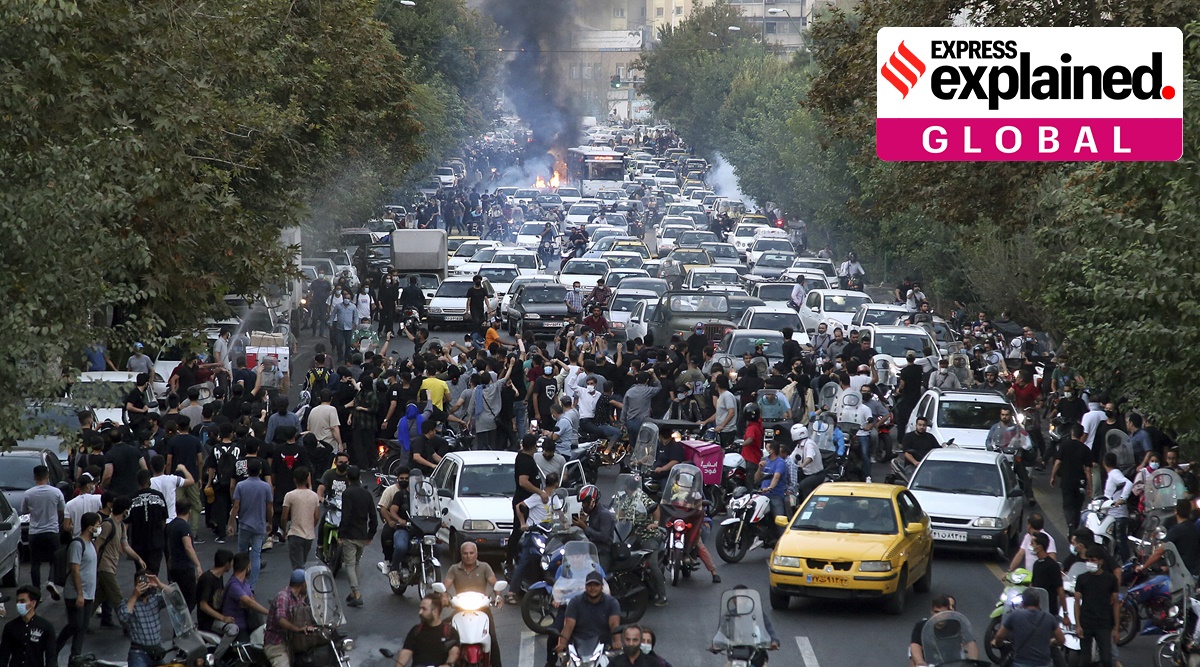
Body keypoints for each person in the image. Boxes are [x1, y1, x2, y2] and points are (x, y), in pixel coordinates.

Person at [442, 542, 502, 666]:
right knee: (443, 631)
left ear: (476, 554)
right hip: (460, 608)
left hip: (482, 608)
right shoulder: (454, 569)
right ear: (461, 554)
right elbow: (445, 586)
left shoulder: (484, 567)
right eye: (465, 553)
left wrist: (499, 596)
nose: (468, 556)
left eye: (471, 553)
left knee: (492, 637)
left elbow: (494, 583)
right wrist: (443, 596)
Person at [56, 511, 99, 662]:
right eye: (97, 525)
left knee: (83, 627)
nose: (98, 528)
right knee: (75, 624)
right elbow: (75, 570)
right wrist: (80, 593)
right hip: (76, 593)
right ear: (90, 527)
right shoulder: (77, 544)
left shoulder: (91, 544)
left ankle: (75, 656)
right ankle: (54, 648)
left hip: (89, 593)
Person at [228, 458, 273, 591]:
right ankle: (252, 585)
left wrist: (231, 523)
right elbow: (269, 507)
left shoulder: (240, 486)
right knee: (256, 554)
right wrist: (269, 522)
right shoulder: (265, 487)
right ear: (260, 471)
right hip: (259, 525)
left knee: (241, 552)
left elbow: (236, 506)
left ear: (247, 470)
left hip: (244, 524)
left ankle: (239, 580)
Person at [555, 571, 621, 659]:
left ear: (601, 586)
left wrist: (617, 642)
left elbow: (614, 625)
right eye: (589, 585)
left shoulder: (612, 603)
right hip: (578, 647)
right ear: (585, 587)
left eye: (596, 585)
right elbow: (568, 627)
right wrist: (562, 644)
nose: (592, 588)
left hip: (603, 647)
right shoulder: (575, 602)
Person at [991, 590, 1065, 667]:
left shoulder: (1015, 615)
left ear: (1023, 602)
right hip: (1044, 664)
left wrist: (1000, 645)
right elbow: (1061, 640)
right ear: (1039, 602)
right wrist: (1052, 642)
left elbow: (999, 636)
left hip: (1020, 664)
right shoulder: (1049, 617)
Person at [21, 465, 65, 593]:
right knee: (54, 559)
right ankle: (51, 580)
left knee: (35, 562)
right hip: (52, 530)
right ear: (48, 476)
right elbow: (62, 509)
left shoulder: (28, 493)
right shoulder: (56, 492)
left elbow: (24, 510)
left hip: (35, 532)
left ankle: (36, 591)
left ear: (34, 477)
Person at [1073, 545, 1119, 667]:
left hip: (1104, 623)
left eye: (1093, 560)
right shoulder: (1082, 579)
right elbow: (1077, 602)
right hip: (1086, 622)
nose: (1089, 563)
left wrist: (1116, 628)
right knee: (1085, 659)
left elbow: (1115, 604)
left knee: (1106, 659)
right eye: (1088, 560)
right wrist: (1078, 624)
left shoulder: (1110, 579)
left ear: (1101, 562)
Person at [340, 465, 377, 607]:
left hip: (350, 534)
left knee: (349, 564)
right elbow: (373, 515)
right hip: (362, 534)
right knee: (356, 563)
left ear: (347, 478)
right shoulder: (366, 494)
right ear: (359, 477)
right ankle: (354, 591)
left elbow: (346, 515)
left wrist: (341, 533)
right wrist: (371, 533)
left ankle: (356, 593)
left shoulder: (347, 494)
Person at [263, 569, 315, 667]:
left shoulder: (299, 598)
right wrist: (298, 629)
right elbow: (281, 620)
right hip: (277, 643)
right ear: (303, 584)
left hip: (293, 642)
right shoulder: (283, 596)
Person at [391, 594, 460, 667]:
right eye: (420, 608)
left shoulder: (450, 631)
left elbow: (454, 651)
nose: (420, 612)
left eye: (424, 609)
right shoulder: (416, 631)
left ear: (435, 612)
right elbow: (405, 652)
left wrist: (448, 664)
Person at [1137, 499, 1200, 577]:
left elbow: (1159, 551)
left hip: (1182, 574)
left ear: (1176, 511)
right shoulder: (1194, 527)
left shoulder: (1176, 530)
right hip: (1194, 571)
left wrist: (1143, 566)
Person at [118, 572, 170, 667]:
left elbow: (176, 596)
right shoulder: (128, 602)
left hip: (156, 651)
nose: (144, 586)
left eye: (146, 582)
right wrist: (134, 595)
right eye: (140, 582)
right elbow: (123, 618)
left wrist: (159, 584)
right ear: (135, 584)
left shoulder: (155, 600)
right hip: (139, 652)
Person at [1050, 423, 1093, 532]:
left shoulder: (1065, 445)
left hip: (1067, 481)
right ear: (1082, 435)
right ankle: (1075, 527)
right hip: (1080, 482)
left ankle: (1070, 525)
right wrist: (1089, 486)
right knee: (1077, 507)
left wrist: (1053, 476)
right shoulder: (1086, 449)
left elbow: (1058, 462)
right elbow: (1088, 470)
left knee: (1068, 506)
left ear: (1072, 433)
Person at [0, 585, 56, 667]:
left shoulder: (46, 627)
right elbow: (3, 656)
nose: (19, 604)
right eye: (17, 601)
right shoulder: (10, 627)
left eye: (22, 601)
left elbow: (51, 657)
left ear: (33, 603)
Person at [128, 469, 168, 575]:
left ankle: (142, 590)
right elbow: (164, 519)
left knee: (141, 572)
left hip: (138, 542)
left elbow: (126, 522)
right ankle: (152, 590)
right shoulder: (159, 496)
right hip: (156, 540)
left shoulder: (131, 499)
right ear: (149, 480)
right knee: (153, 572)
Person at [165, 500, 204, 610]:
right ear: (189, 512)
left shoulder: (171, 525)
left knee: (180, 596)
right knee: (191, 598)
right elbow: (188, 547)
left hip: (174, 565)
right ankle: (185, 622)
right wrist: (198, 565)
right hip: (185, 567)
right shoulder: (184, 527)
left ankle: (182, 622)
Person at [282, 467, 319, 570]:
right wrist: (311, 526)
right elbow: (316, 516)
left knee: (297, 566)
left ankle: (300, 585)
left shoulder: (290, 495)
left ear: (294, 479)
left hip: (295, 534)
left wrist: (285, 531)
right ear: (308, 479)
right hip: (309, 535)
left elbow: (284, 517)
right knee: (302, 562)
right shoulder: (314, 496)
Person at [909, 595, 963, 667]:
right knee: (912, 656)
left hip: (950, 663)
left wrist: (972, 662)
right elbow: (915, 645)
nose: (940, 616)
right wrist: (920, 661)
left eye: (943, 613)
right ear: (931, 611)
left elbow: (969, 643)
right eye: (936, 612)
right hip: (928, 663)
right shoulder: (921, 626)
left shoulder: (956, 627)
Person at [755, 441, 788, 544]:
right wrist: (759, 468)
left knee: (779, 521)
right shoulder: (765, 461)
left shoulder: (780, 463)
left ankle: (783, 542)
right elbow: (756, 479)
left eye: (767, 448)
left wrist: (769, 488)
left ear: (772, 450)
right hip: (762, 495)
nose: (765, 450)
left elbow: (776, 477)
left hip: (775, 495)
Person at [197, 549, 236, 635]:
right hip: (208, 621)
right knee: (233, 629)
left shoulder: (219, 576)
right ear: (226, 564)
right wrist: (223, 618)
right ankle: (221, 649)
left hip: (217, 617)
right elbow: (203, 605)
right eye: (231, 562)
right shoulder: (208, 579)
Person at [1028, 532, 1067, 618]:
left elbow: (1060, 591)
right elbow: (1033, 585)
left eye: (1032, 543)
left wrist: (1065, 613)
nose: (1030, 545)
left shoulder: (1053, 566)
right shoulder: (1036, 564)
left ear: (1040, 547)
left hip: (1049, 612)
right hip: (1036, 611)